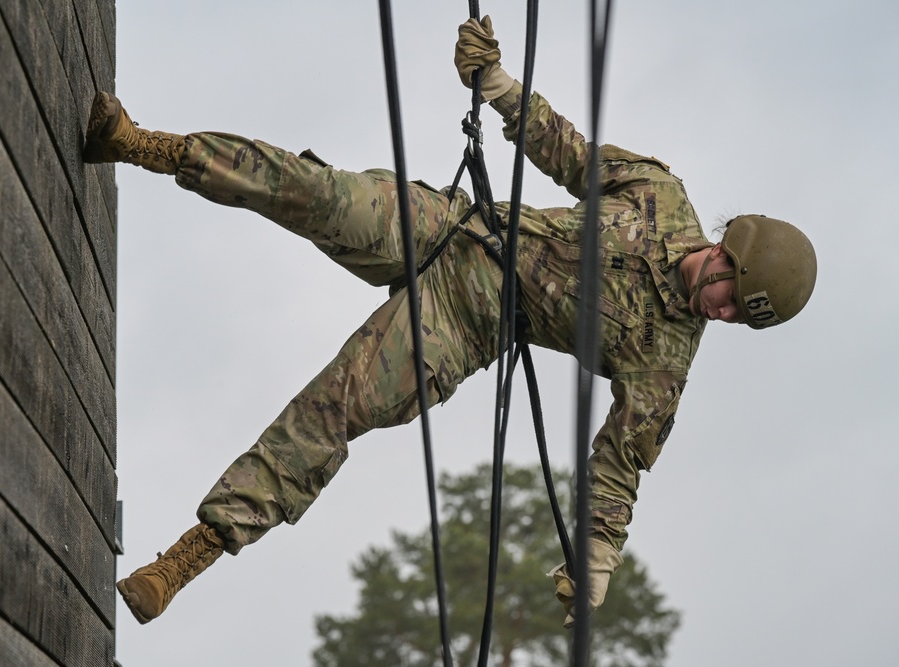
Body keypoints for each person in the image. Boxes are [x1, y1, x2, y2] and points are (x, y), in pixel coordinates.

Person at [85, 16, 816, 627]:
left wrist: (595, 560)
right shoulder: (661, 194)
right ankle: (138, 143)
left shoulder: (666, 359)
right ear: (728, 248)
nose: (717, 311)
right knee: (311, 189)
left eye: (733, 318)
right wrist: (496, 85)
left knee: (335, 408)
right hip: (454, 224)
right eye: (728, 293)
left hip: (463, 323)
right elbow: (567, 153)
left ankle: (186, 557)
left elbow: (620, 468)